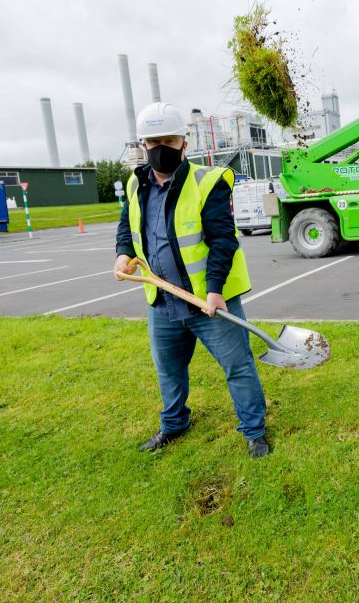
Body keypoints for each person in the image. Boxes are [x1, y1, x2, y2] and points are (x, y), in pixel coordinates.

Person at [114, 102, 270, 458]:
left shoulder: (207, 182)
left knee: (238, 366)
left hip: (208, 302)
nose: (160, 149)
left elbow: (223, 240)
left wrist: (215, 290)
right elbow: (127, 226)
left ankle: (254, 432)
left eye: (168, 140)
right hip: (163, 301)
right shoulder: (136, 183)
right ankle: (174, 424)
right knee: (168, 370)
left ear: (184, 143)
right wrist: (123, 254)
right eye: (152, 142)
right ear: (143, 145)